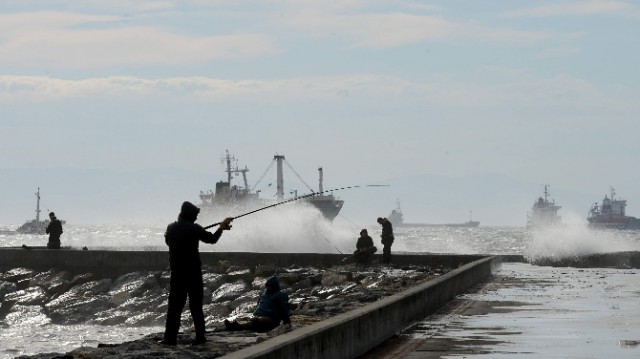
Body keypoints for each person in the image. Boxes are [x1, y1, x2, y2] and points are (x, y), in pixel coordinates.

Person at [161, 201, 233, 346]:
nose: (197, 217)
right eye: (195, 215)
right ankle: (200, 338)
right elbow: (211, 239)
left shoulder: (171, 228)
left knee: (174, 308)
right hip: (193, 273)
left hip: (177, 274)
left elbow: (168, 242)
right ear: (191, 215)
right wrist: (221, 228)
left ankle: (170, 339)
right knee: (196, 307)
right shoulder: (195, 229)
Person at [224, 276, 291, 333]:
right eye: (267, 286)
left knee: (257, 321)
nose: (268, 288)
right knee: (253, 321)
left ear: (274, 286)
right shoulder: (263, 294)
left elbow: (283, 309)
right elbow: (259, 304)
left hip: (271, 318)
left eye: (270, 286)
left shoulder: (280, 295)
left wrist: (287, 322)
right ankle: (236, 326)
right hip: (258, 315)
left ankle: (238, 327)